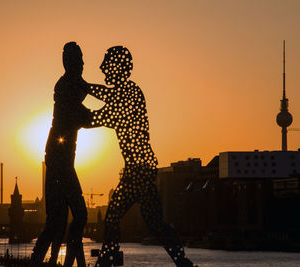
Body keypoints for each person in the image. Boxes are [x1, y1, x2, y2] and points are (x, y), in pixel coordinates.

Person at [88, 46, 194, 267]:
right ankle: (182, 260)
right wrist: (83, 90)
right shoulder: (125, 93)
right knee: (154, 223)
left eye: (106, 62)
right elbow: (106, 100)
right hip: (141, 169)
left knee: (114, 216)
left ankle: (106, 260)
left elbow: (101, 115)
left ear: (117, 67)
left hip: (138, 170)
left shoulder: (130, 93)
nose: (101, 67)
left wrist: (79, 90)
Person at [30, 42, 91, 267]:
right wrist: (114, 114)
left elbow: (89, 89)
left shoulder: (71, 84)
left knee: (57, 220)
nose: (84, 63)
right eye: (80, 59)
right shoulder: (66, 88)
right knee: (78, 215)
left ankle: (40, 261)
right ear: (70, 62)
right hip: (60, 161)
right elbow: (84, 117)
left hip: (58, 158)